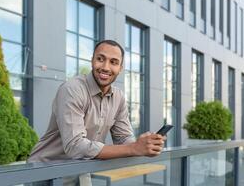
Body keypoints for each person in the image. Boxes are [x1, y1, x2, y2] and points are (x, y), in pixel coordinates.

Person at [28, 40, 166, 185]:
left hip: (80, 171)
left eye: (113, 62)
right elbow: (75, 146)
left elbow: (123, 138)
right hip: (44, 174)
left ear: (120, 68)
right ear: (92, 60)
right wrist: (134, 148)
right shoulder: (72, 89)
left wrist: (144, 144)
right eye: (100, 59)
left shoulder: (118, 97)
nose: (105, 67)